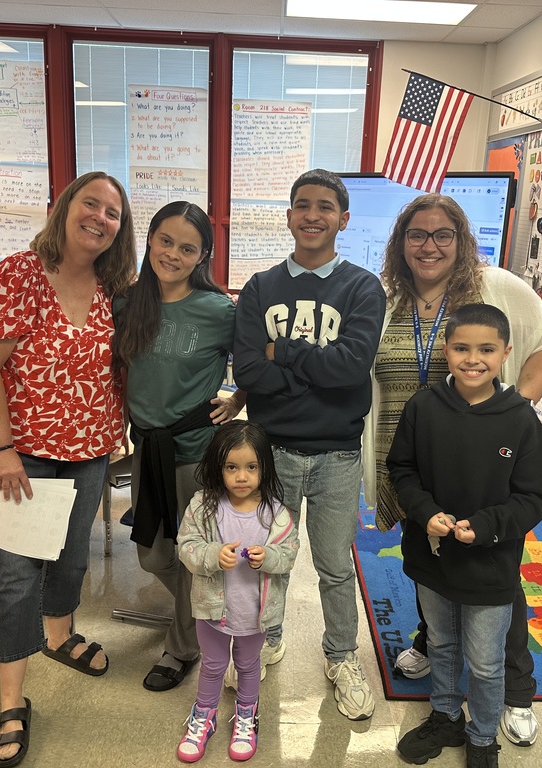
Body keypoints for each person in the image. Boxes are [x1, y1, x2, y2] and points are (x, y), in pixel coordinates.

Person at [363, 193, 542, 747]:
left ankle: (515, 690)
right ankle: (433, 645)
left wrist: (513, 410)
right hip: (411, 454)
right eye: (417, 235)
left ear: (461, 240)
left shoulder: (493, 287)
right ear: (401, 242)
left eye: (442, 234)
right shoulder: (386, 298)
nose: (429, 246)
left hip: (486, 460)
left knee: (495, 573)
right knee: (430, 556)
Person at [0, 171, 137, 767]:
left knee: (70, 555)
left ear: (121, 228)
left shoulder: (116, 285)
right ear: (65, 207)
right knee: (15, 575)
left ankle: (60, 635)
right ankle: (12, 700)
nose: (100, 218)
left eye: (113, 212)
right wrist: (4, 449)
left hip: (90, 448)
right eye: (91, 204)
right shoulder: (19, 273)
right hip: (25, 453)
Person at [232, 168, 387, 720]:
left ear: (343, 220)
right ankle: (267, 638)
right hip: (271, 450)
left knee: (335, 565)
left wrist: (285, 355)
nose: (313, 215)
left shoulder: (363, 287)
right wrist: (308, 368)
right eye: (303, 205)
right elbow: (248, 365)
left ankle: (341, 656)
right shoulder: (259, 287)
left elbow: (351, 370)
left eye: (326, 206)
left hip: (338, 454)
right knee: (268, 559)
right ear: (290, 216)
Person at [387, 303, 542, 768]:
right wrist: (425, 512)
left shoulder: (520, 419)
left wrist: (485, 527)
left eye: (486, 349)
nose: (472, 359)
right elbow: (401, 469)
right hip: (431, 556)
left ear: (505, 353)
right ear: (446, 350)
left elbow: (534, 498)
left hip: (490, 566)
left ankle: (482, 737)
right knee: (440, 643)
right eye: (461, 348)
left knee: (484, 661)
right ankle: (445, 716)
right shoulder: (423, 406)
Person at [112, 200, 246, 693]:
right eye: (165, 241)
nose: (173, 253)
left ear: (202, 255)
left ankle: (182, 646)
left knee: (192, 555)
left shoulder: (217, 310)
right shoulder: (127, 302)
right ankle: (208, 605)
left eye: (187, 247)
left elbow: (254, 361)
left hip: (197, 451)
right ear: (148, 240)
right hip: (146, 448)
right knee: (153, 556)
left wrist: (238, 399)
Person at [175, 420, 299, 763]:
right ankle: (205, 715)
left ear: (264, 468)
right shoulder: (203, 506)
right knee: (213, 665)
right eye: (232, 467)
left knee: (248, 665)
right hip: (212, 610)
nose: (241, 476)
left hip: (255, 613)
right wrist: (213, 555)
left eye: (251, 467)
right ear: (219, 467)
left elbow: (289, 553)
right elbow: (186, 547)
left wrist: (268, 557)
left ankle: (246, 716)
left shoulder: (276, 513)